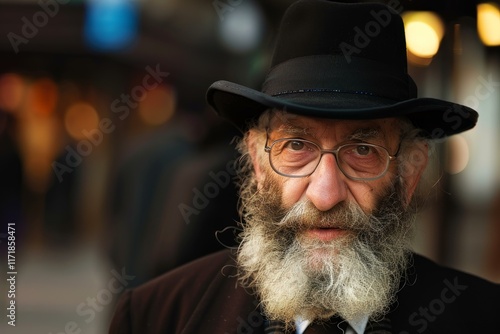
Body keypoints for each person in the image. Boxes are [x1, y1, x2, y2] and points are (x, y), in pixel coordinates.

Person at [108, 1, 500, 333]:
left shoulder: (483, 319)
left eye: (362, 150)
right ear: (259, 164)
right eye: (297, 145)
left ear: (409, 174)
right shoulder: (155, 318)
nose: (325, 194)